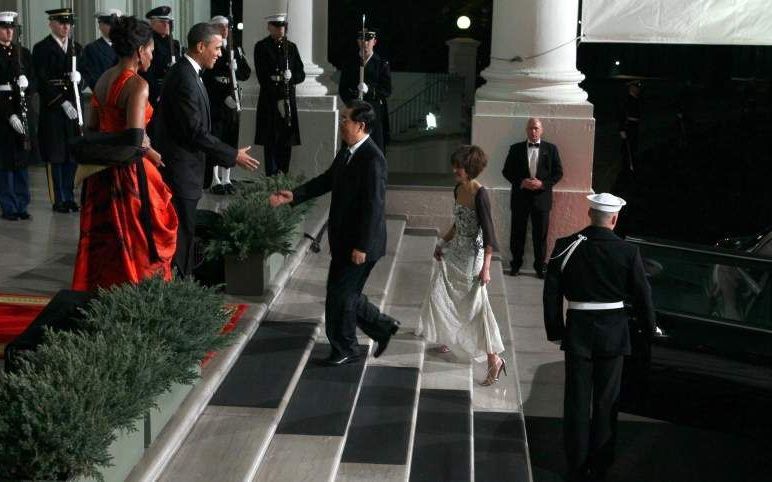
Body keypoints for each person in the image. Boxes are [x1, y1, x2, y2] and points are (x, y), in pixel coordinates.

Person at [269, 100, 400, 366]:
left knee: (340, 296)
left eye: (345, 120)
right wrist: (295, 195)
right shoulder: (347, 150)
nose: (341, 124)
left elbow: (374, 207)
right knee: (344, 293)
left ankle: (347, 348)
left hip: (361, 244)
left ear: (360, 125)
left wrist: (362, 246)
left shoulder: (373, 160)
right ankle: (383, 326)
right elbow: (328, 179)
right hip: (344, 240)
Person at [543, 193, 655, 482]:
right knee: (607, 402)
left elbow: (552, 293)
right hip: (613, 334)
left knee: (577, 402)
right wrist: (648, 328)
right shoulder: (628, 252)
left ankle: (576, 464)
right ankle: (601, 463)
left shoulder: (566, 245)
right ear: (614, 218)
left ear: (591, 214)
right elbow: (643, 295)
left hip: (578, 330)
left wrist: (555, 330)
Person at [72, 15, 178, 292]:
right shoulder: (137, 85)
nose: (152, 58)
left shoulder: (104, 78)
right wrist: (152, 153)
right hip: (129, 175)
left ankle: (104, 296)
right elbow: (133, 137)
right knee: (137, 241)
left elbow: (92, 128)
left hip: (99, 175)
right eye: (151, 51)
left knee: (105, 242)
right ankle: (136, 299)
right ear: (140, 50)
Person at [155, 22, 259, 277]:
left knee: (185, 231)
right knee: (182, 232)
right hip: (181, 170)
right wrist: (232, 155)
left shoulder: (190, 73)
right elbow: (194, 132)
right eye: (217, 48)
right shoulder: (185, 79)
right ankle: (180, 284)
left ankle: (182, 280)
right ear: (201, 46)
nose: (220, 54)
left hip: (187, 169)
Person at [415, 145, 506, 386]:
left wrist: (486, 268)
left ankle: (493, 359)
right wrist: (442, 242)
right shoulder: (457, 189)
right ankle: (448, 335)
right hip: (455, 250)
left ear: (470, 169)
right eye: (455, 165)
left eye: (460, 166)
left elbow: (489, 236)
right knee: (439, 292)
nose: (455, 170)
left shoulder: (480, 194)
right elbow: (457, 224)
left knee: (476, 307)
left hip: (473, 258)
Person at [32, 8, 83, 214]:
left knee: (71, 155)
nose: (66, 27)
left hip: (73, 108)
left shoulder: (76, 48)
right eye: (62, 23)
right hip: (54, 109)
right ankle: (58, 198)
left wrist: (80, 79)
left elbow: (84, 73)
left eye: (69, 23)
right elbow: (42, 80)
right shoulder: (42, 48)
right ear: (51, 23)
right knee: (56, 155)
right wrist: (61, 101)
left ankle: (70, 196)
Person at [502, 117, 563, 278]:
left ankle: (540, 267)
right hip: (520, 198)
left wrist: (542, 184)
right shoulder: (515, 149)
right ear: (526, 130)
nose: (533, 131)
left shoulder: (551, 149)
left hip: (542, 200)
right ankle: (515, 264)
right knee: (517, 233)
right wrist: (521, 182)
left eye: (536, 128)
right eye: (530, 128)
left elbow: (558, 173)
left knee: (541, 235)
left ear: (541, 130)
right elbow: (506, 171)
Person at [202, 15, 251, 194]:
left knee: (231, 138)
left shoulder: (235, 49)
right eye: (221, 27)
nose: (225, 30)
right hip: (217, 103)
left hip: (233, 101)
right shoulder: (210, 47)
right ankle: (215, 179)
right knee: (216, 138)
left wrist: (237, 65)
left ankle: (227, 178)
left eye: (227, 27)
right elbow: (207, 77)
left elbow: (246, 74)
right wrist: (222, 96)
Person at [254, 13, 305, 176]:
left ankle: (283, 176)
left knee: (286, 141)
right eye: (276, 26)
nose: (280, 29)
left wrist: (291, 78)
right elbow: (262, 76)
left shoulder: (291, 47)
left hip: (287, 99)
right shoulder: (261, 47)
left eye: (282, 26)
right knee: (270, 142)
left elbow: (301, 74)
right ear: (269, 27)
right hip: (270, 100)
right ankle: (271, 178)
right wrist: (277, 91)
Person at [0, 11, 34, 221]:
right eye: (5, 27)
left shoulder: (23, 53)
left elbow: (34, 81)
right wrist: (8, 115)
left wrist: (27, 84)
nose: (9, 31)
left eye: (12, 28)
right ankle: (9, 205)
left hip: (22, 113)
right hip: (3, 117)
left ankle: (22, 203)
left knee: (21, 160)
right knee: (5, 162)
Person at [338, 28, 391, 152]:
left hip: (374, 114)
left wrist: (370, 90)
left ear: (374, 42)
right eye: (362, 40)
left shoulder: (381, 64)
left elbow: (386, 90)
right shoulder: (350, 63)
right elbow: (343, 89)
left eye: (368, 40)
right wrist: (354, 102)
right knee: (350, 148)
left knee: (375, 148)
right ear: (358, 41)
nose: (365, 43)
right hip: (355, 113)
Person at [141, 6, 179, 107]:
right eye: (162, 22)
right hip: (156, 91)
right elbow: (146, 71)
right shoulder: (148, 42)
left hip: (173, 90)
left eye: (168, 22)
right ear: (152, 23)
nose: (166, 25)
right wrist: (157, 93)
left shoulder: (174, 44)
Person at [79, 9, 122, 90]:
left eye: (116, 24)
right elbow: (91, 77)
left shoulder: (126, 45)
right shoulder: (92, 49)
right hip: (104, 94)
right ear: (100, 26)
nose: (115, 28)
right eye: (110, 24)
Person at [618, 80, 642, 176]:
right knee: (627, 147)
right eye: (635, 88)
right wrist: (621, 129)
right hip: (628, 126)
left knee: (633, 146)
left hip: (634, 126)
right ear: (631, 88)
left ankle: (631, 166)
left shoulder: (636, 99)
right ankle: (626, 167)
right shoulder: (627, 100)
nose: (637, 90)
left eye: (637, 88)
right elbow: (622, 114)